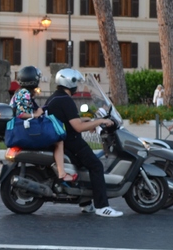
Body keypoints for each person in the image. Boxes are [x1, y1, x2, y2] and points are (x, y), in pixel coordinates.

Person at [45, 69, 123, 217]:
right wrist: (100, 121)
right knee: (96, 166)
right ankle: (102, 206)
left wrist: (89, 121)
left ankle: (86, 203)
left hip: (63, 141)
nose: (78, 87)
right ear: (70, 82)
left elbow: (69, 121)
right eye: (77, 83)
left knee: (83, 168)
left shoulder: (55, 98)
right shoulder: (66, 100)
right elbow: (77, 127)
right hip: (72, 142)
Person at [10, 66, 72, 182]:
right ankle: (62, 174)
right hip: (25, 130)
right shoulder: (24, 93)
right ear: (33, 80)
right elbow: (21, 114)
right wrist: (36, 114)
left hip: (25, 128)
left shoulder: (21, 92)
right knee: (59, 141)